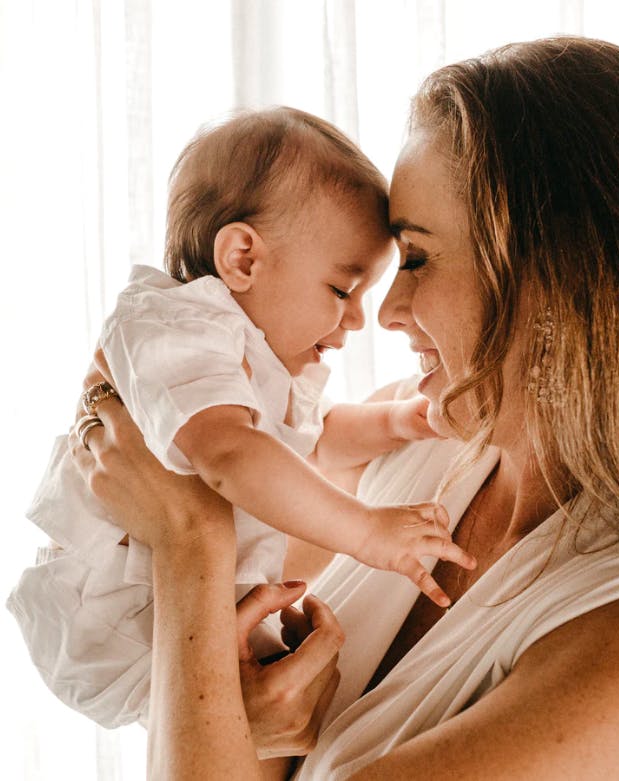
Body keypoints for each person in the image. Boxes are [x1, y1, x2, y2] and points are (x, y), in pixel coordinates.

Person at [67, 36, 619, 779]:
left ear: (556, 278)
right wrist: (252, 718)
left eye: (414, 257)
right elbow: (235, 731)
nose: (386, 313)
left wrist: (190, 538)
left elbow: (202, 615)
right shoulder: (403, 451)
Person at [6, 106, 475, 730]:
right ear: (243, 259)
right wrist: (367, 532)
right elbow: (232, 456)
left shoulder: (250, 355)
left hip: (189, 601)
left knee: (293, 711)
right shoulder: (175, 325)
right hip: (120, 612)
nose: (361, 318)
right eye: (342, 290)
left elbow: (306, 443)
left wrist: (396, 422)